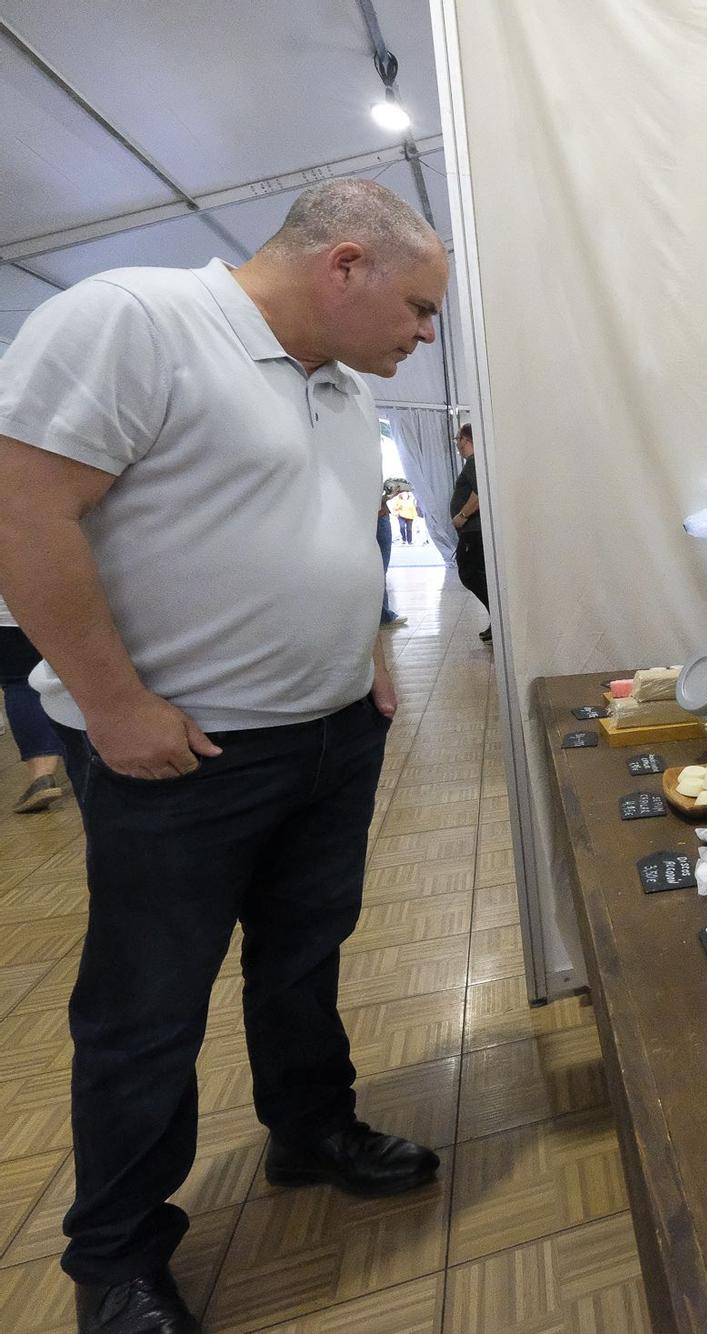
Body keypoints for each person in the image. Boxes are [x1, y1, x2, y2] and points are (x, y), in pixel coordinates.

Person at [0, 178, 448, 1334]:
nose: (426, 332)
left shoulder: (342, 387)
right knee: (146, 1010)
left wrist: (372, 641)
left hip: (331, 734)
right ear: (343, 265)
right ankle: (117, 1258)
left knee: (303, 957)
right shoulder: (134, 319)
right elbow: (22, 509)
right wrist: (110, 705)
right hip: (184, 759)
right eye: (418, 304)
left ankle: (312, 1127)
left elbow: (344, 532)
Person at [0, 591, 65, 813]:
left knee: (19, 682)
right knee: (69, 677)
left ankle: (42, 776)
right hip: (51, 600)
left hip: (6, 616)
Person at [449, 423, 492, 643]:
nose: (457, 444)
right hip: (472, 532)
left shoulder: (474, 463)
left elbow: (479, 493)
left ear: (466, 439)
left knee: (469, 574)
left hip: (473, 532)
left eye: (458, 439)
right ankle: (496, 619)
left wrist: (462, 516)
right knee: (475, 575)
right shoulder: (473, 464)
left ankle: (498, 616)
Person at [376, 482, 404, 628]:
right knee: (380, 569)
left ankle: (382, 613)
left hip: (378, 517)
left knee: (380, 570)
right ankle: (382, 615)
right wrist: (386, 498)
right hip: (377, 518)